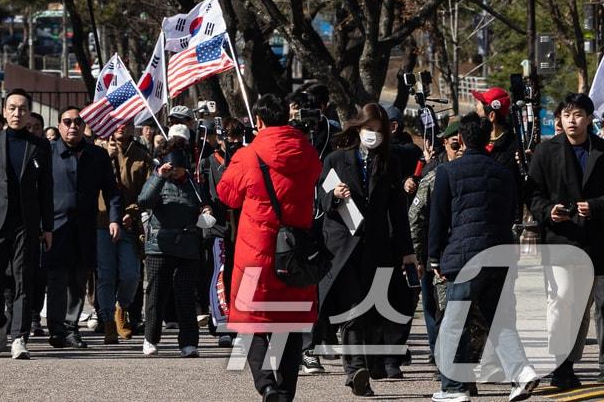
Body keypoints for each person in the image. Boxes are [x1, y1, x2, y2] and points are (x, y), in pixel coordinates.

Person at [215, 94, 323, 402]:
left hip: (256, 251)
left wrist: (233, 158)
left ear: (259, 121)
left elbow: (227, 195)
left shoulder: (249, 155)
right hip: (295, 251)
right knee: (290, 323)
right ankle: (285, 393)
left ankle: (266, 385)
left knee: (250, 322)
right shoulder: (307, 152)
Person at [429, 112, 538, 402]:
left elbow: (438, 218)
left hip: (465, 255)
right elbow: (512, 212)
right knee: (498, 319)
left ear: (460, 138)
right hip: (499, 253)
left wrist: (434, 257)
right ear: (488, 135)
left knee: (454, 323)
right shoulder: (503, 172)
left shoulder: (448, 172)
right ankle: (522, 372)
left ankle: (454, 387)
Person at [315, 102, 416, 395]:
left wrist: (406, 250)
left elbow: (398, 211)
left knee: (371, 308)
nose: (373, 135)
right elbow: (320, 199)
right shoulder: (336, 159)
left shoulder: (389, 163)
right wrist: (334, 195)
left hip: (376, 246)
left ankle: (368, 363)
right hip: (342, 245)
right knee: (352, 307)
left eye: (379, 131)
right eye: (369, 129)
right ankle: (355, 370)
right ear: (358, 127)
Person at [525, 92, 604, 390]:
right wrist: (548, 212)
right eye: (566, 115)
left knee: (603, 305)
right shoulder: (545, 151)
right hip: (562, 240)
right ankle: (561, 365)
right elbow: (533, 194)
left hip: (602, 243)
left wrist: (597, 206)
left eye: (577, 115)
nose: (571, 120)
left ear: (589, 119)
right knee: (562, 302)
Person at [0, 90, 53, 361]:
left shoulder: (40, 146)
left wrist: (47, 226)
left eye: (22, 109)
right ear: (4, 111)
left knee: (23, 279)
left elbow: (46, 189)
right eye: (12, 108)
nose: (17, 113)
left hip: (26, 223)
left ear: (29, 112)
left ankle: (19, 337)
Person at [46, 105, 119, 349]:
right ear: (59, 125)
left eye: (78, 122)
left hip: (86, 228)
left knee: (78, 280)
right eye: (67, 122)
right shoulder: (47, 152)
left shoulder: (97, 155)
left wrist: (114, 219)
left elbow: (111, 191)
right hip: (55, 228)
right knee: (57, 279)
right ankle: (56, 329)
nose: (73, 126)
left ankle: (70, 328)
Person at [139, 140, 207, 358]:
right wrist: (160, 177)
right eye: (171, 165)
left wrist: (206, 210)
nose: (175, 170)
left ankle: (189, 342)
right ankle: (150, 338)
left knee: (185, 295)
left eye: (178, 166)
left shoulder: (194, 184)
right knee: (156, 294)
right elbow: (144, 200)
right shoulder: (157, 179)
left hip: (188, 245)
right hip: (160, 245)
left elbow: (203, 203)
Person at [410, 119, 462, 364]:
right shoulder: (434, 176)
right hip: (437, 254)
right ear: (446, 144)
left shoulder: (476, 172)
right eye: (454, 145)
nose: (459, 151)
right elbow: (415, 217)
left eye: (462, 145)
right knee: (438, 307)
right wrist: (418, 256)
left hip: (466, 254)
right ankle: (441, 358)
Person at [98, 120, 152, 345]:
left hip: (129, 224)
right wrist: (107, 157)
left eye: (126, 122)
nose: (121, 126)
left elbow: (149, 191)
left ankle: (122, 307)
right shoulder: (98, 151)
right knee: (106, 274)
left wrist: (133, 211)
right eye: (117, 122)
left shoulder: (142, 156)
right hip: (101, 221)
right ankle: (108, 320)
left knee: (131, 274)